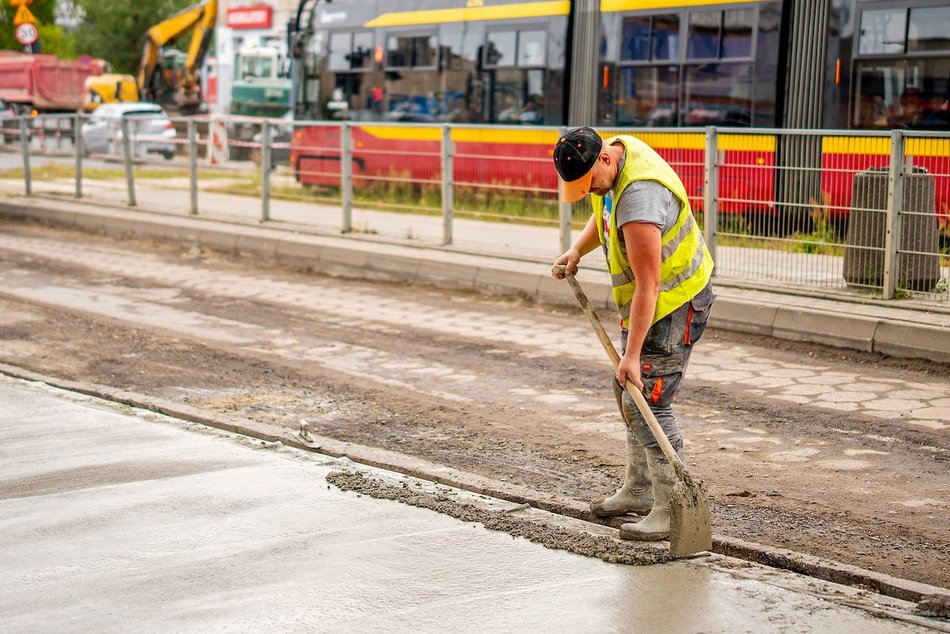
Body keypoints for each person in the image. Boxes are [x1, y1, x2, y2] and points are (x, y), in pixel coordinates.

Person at [550, 126, 715, 541]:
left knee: (649, 399)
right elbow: (605, 211)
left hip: (673, 304)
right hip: (652, 304)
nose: (590, 190)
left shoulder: (641, 198)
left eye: (589, 182)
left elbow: (650, 284)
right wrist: (576, 250)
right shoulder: (617, 153)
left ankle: (672, 508)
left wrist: (632, 354)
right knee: (629, 393)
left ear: (603, 159)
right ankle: (640, 490)